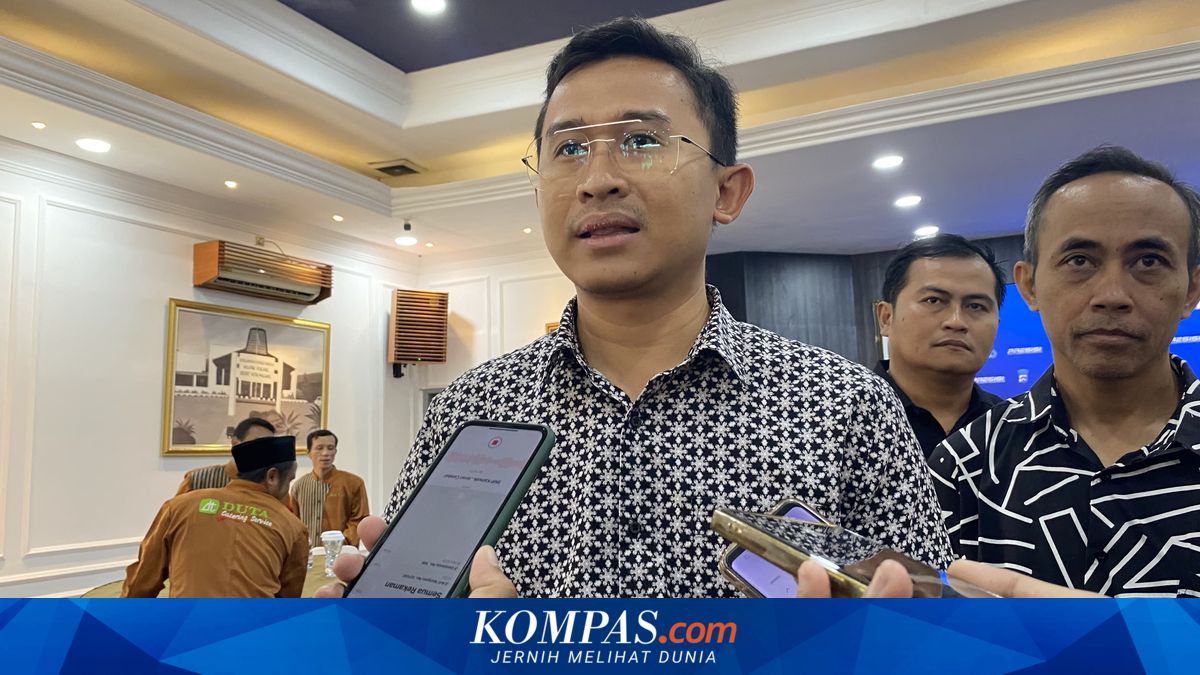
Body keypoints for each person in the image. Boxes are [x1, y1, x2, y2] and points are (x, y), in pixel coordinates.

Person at [322, 17, 951, 599]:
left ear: (726, 192)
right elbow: (406, 640)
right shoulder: (469, 411)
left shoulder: (843, 408)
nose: (597, 179)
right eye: (568, 149)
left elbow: (937, 637)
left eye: (642, 140)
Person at [930, 145, 1200, 597]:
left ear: (1192, 289)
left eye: (1148, 261)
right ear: (1029, 285)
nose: (1112, 295)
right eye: (1079, 261)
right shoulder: (965, 465)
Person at [122, 435, 309, 598]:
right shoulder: (292, 526)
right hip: (253, 626)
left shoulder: (179, 506)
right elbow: (286, 602)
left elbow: (142, 581)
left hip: (186, 624)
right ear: (272, 477)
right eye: (290, 480)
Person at [874, 234, 1005, 458]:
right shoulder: (837, 421)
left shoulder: (1015, 430)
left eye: (975, 306)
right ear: (886, 317)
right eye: (933, 300)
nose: (956, 322)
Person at [288, 429, 369, 547]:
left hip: (342, 552)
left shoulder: (354, 483)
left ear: (335, 451)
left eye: (330, 448)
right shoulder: (298, 486)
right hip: (308, 553)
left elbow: (359, 520)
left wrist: (340, 542)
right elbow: (294, 523)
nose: (325, 453)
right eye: (319, 448)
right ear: (308, 452)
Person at [175, 417, 275, 494]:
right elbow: (178, 512)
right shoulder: (198, 479)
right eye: (258, 443)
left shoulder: (272, 484)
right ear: (236, 444)